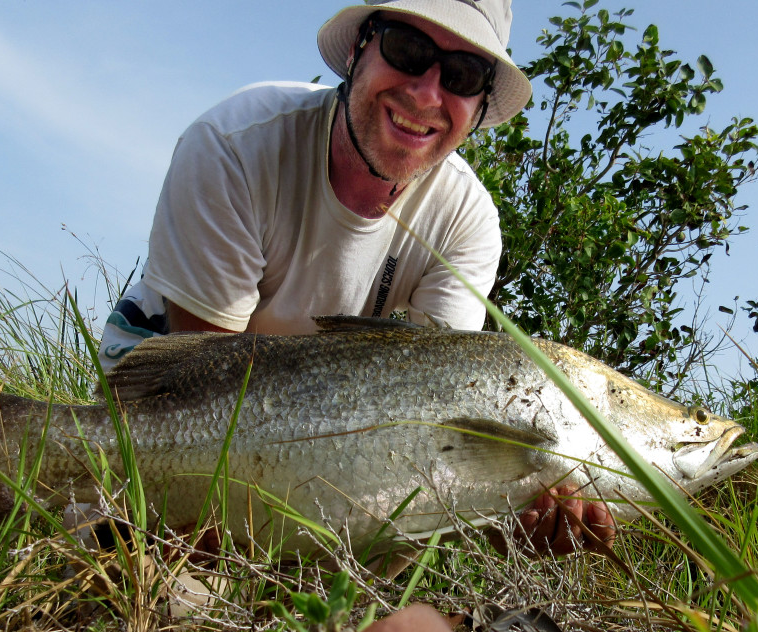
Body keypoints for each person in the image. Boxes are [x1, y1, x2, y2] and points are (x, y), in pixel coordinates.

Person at [99, 0, 613, 555]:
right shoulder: (235, 144)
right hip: (179, 379)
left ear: (480, 102)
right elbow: (204, 384)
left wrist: (510, 515)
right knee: (186, 566)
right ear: (357, 49)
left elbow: (424, 434)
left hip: (321, 414)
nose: (425, 94)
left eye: (463, 75)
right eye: (407, 50)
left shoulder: (469, 222)